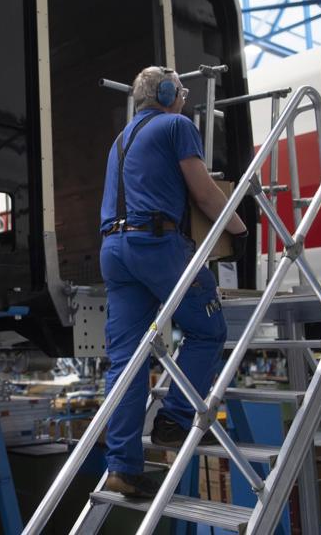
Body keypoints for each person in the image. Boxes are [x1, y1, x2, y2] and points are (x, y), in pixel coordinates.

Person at [98, 66, 248, 497]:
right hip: (158, 246)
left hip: (115, 251)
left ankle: (122, 467)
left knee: (126, 361)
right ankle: (175, 421)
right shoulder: (177, 125)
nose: (183, 96)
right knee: (208, 330)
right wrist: (238, 230)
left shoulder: (121, 139)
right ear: (166, 92)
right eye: (180, 89)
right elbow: (203, 192)